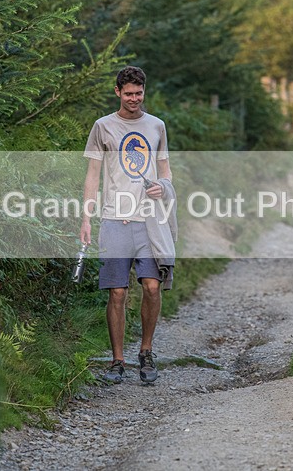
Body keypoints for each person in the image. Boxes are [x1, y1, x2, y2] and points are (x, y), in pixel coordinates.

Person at [80, 66, 174, 384]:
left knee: (151, 286)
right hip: (113, 218)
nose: (134, 99)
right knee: (117, 292)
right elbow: (93, 175)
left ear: (144, 92)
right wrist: (86, 217)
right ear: (117, 91)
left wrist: (163, 186)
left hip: (149, 221)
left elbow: (166, 171)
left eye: (139, 93)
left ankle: (146, 352)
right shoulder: (103, 127)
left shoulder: (157, 126)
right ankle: (117, 360)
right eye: (129, 93)